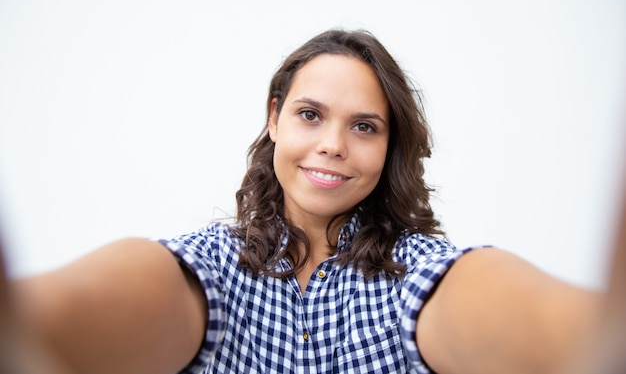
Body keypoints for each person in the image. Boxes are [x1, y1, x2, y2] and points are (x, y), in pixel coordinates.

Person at [6, 30, 606, 374]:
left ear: (390, 146)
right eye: (311, 114)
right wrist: (34, 327)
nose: (332, 146)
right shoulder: (214, 263)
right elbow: (139, 297)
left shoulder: (415, 271)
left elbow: (480, 300)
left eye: (365, 127)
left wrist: (585, 340)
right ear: (274, 118)